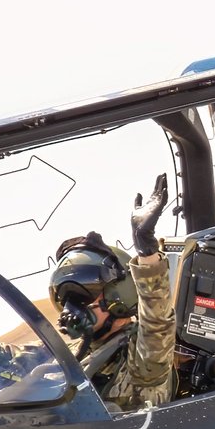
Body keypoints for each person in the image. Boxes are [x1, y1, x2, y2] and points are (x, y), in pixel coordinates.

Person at [47, 174, 176, 412]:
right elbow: (13, 359)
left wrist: (147, 254)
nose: (71, 308)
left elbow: (158, 325)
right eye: (66, 299)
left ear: (118, 297)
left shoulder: (142, 359)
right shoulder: (72, 354)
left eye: (83, 296)